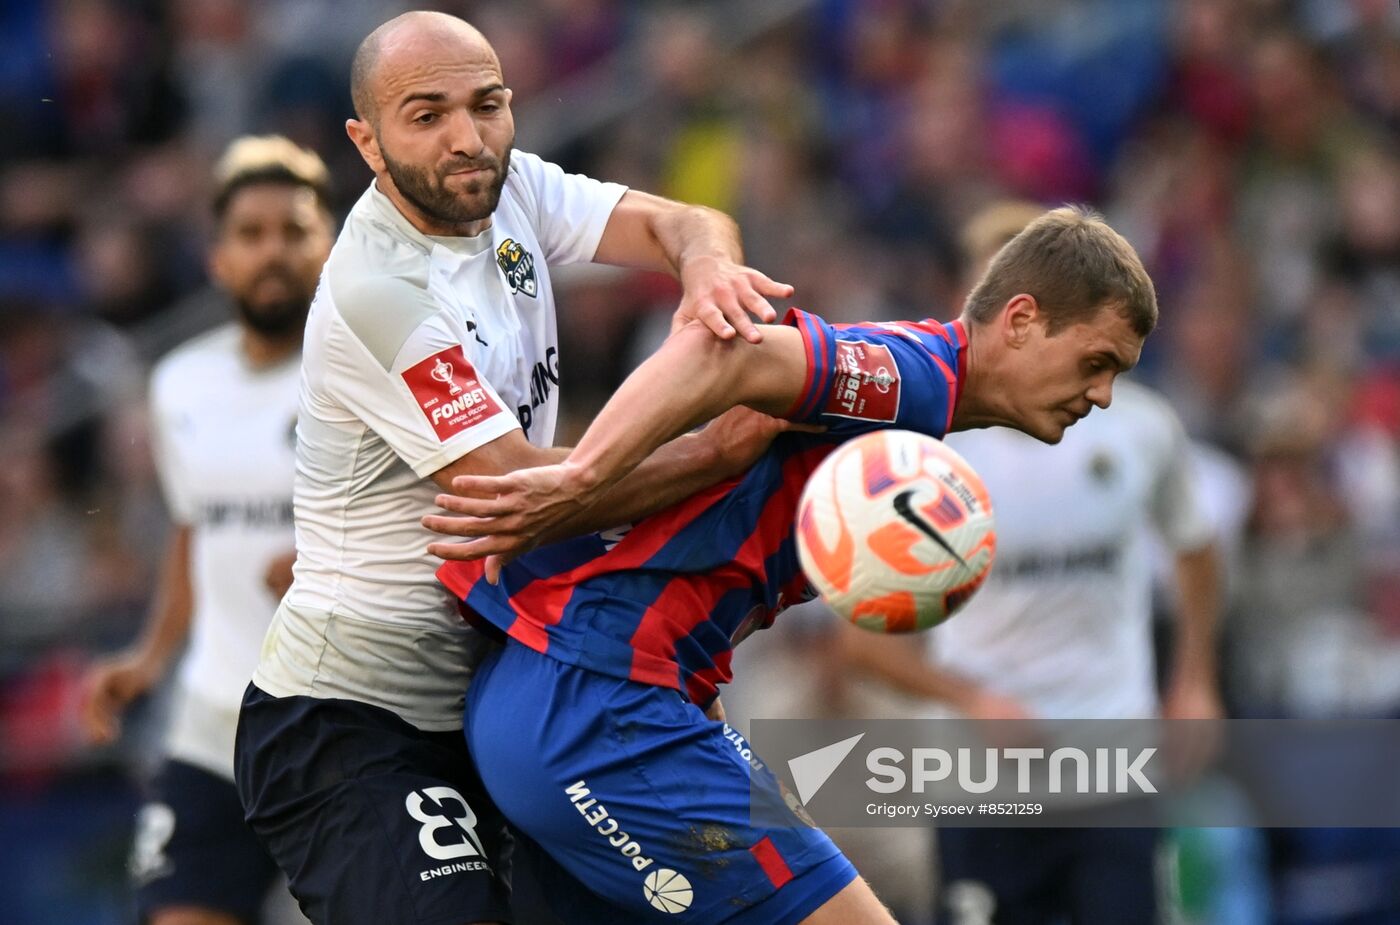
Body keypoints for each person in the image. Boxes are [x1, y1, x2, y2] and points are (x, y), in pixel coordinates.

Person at [429, 206, 1158, 923]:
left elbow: (708, 533)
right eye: (1096, 363)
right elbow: (729, 351)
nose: (1102, 395)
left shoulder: (920, 413)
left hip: (562, 699)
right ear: (1022, 319)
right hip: (598, 707)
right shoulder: (915, 377)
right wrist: (578, 479)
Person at [232, 11, 798, 925]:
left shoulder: (512, 189)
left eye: (486, 105)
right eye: (427, 116)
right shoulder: (377, 291)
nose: (467, 138)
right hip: (351, 721)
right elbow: (519, 495)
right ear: (366, 142)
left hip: (505, 695)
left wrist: (711, 280)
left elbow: (686, 221)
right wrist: (716, 448)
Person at [834, 201, 1225, 925]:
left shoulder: (1138, 426)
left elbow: (1196, 545)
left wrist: (1194, 676)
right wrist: (970, 697)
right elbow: (861, 645)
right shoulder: (926, 451)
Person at [79, 136, 335, 925]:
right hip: (210, 723)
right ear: (217, 258)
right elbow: (197, 529)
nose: (273, 253)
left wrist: (336, 563)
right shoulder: (179, 382)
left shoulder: (367, 379)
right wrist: (151, 656)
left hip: (343, 725)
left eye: (293, 232)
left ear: (327, 248)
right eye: (250, 235)